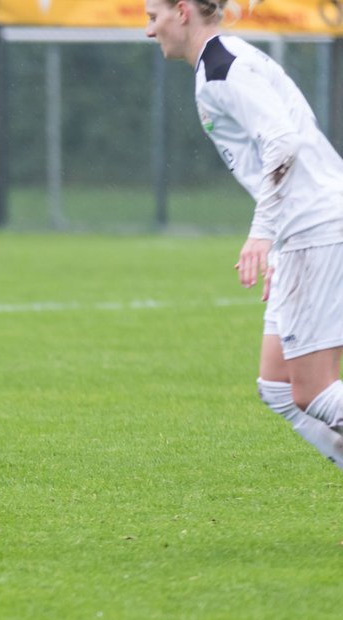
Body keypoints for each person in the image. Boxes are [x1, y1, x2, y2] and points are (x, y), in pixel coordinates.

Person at [146, 0, 343, 473]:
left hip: (316, 226)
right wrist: (276, 246)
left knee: (313, 390)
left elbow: (282, 142)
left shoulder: (224, 69)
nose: (148, 31)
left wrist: (262, 234)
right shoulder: (224, 60)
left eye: (153, 17)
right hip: (305, 230)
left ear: (182, 11)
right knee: (277, 386)